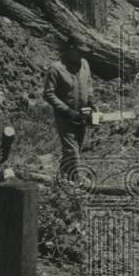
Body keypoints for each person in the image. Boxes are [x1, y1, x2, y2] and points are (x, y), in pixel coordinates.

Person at [43, 40, 97, 179]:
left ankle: (62, 177)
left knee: (75, 148)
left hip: (82, 114)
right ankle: (78, 181)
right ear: (70, 49)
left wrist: (90, 101)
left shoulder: (85, 64)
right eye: (80, 51)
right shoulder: (56, 69)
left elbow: (89, 83)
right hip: (65, 116)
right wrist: (67, 110)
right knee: (72, 150)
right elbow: (48, 94)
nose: (82, 55)